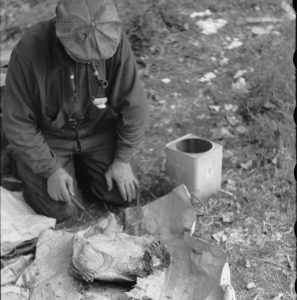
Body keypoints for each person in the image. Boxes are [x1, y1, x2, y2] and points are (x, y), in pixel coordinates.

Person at [1, 0, 148, 221]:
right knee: (64, 210)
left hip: (97, 129)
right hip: (50, 136)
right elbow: (18, 122)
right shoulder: (30, 50)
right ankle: (19, 159)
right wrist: (49, 170)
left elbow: (134, 105)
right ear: (61, 36)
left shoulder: (113, 38)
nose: (91, 63)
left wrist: (122, 160)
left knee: (124, 194)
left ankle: (80, 168)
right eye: (81, 55)